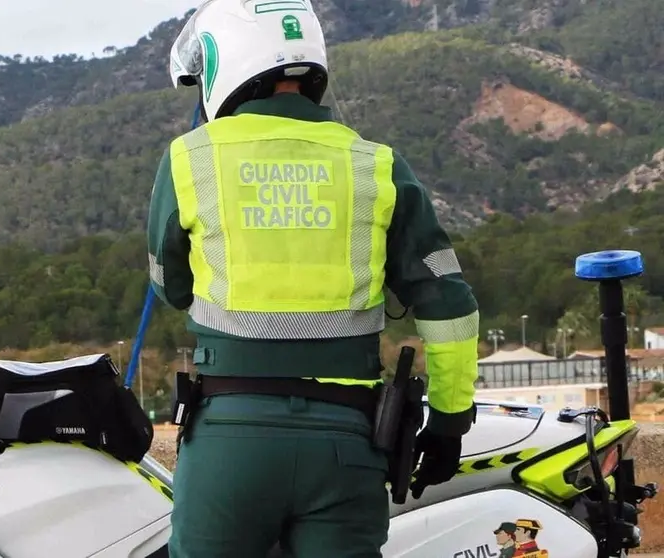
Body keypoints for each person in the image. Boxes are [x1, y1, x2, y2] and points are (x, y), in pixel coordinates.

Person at [146, 0, 480, 556]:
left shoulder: (188, 159)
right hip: (347, 443)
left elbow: (172, 286)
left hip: (231, 438)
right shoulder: (376, 163)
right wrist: (449, 422)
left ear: (221, 63)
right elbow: (448, 301)